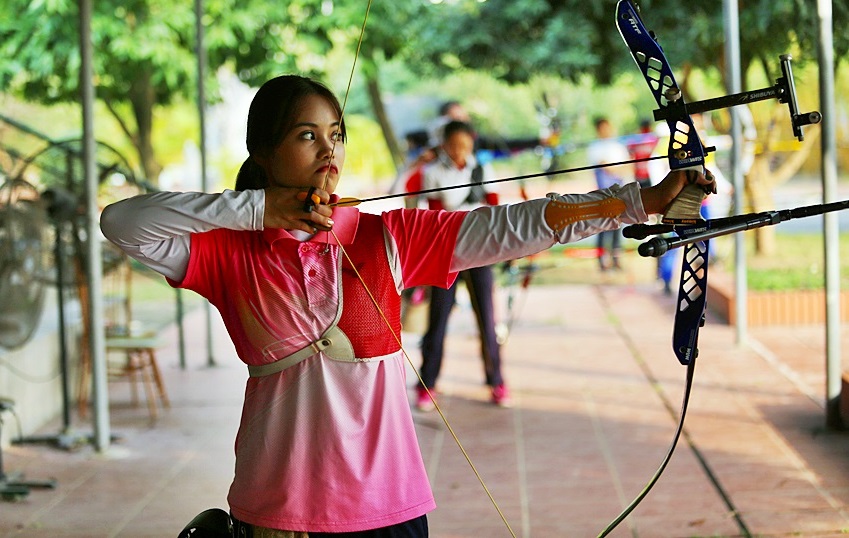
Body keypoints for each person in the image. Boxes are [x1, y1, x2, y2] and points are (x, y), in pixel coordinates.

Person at [99, 74, 715, 538]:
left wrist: (645, 200)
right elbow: (123, 221)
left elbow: (520, 224)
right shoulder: (229, 253)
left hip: (389, 508)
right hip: (278, 513)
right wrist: (262, 209)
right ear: (262, 150)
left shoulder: (383, 237)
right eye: (306, 135)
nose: (327, 152)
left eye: (335, 135)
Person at [406, 120, 507, 411]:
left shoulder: (482, 169)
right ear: (445, 145)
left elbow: (494, 208)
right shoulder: (433, 172)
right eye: (454, 145)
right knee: (437, 320)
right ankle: (428, 385)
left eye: (465, 145)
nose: (460, 151)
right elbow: (435, 214)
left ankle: (496, 381)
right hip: (447, 254)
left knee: (487, 321)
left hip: (479, 252)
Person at [586, 117, 634, 271]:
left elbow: (626, 167)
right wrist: (616, 170)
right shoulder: (595, 147)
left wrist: (618, 170)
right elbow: (604, 166)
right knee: (602, 227)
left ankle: (616, 258)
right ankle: (601, 259)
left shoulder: (618, 146)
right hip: (602, 193)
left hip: (617, 192)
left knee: (616, 225)